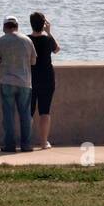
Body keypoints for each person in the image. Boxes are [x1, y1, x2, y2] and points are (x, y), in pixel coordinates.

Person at [0, 16, 36, 152]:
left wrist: (1, 63)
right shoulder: (27, 40)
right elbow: (33, 61)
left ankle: (10, 145)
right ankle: (26, 145)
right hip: (25, 82)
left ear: (5, 27)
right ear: (17, 26)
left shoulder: (0, 41)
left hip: (7, 82)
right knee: (25, 115)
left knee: (8, 116)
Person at [29, 12, 60, 149]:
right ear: (44, 24)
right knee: (45, 111)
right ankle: (43, 142)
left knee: (28, 112)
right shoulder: (48, 39)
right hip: (47, 78)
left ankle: (26, 141)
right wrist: (49, 32)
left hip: (30, 78)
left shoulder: (27, 40)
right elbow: (57, 49)